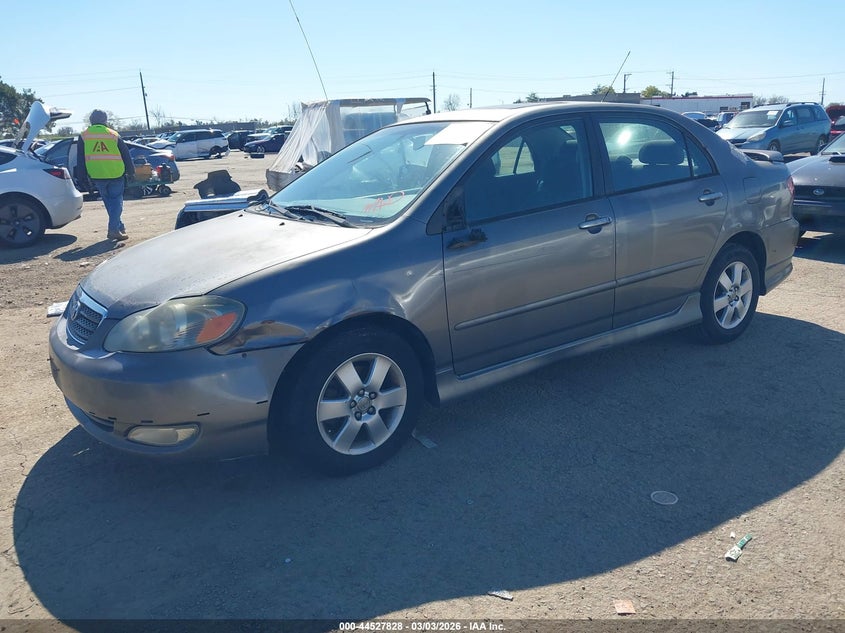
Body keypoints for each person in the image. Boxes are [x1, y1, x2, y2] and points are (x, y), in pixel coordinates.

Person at [76, 109, 135, 241]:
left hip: (96, 174)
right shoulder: (113, 134)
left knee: (109, 202)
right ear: (105, 120)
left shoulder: (84, 136)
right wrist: (131, 172)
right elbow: (126, 154)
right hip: (115, 173)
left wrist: (81, 176)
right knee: (116, 202)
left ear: (91, 120)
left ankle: (119, 226)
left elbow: (80, 158)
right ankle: (113, 229)